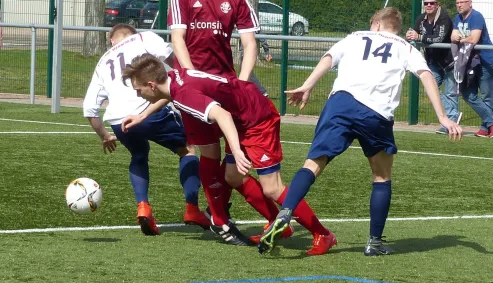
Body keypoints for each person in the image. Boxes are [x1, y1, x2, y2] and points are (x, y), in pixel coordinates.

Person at [257, 7, 463, 256]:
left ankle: (286, 212)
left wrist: (307, 85)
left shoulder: (355, 37)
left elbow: (329, 58)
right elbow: (426, 75)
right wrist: (443, 116)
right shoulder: (405, 47)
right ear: (395, 28)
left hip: (340, 105)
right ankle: (374, 243)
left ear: (376, 24)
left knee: (313, 164)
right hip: (375, 114)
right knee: (381, 177)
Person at [121, 54, 337, 255]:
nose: (138, 94)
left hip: (257, 119)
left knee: (272, 188)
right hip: (243, 116)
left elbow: (222, 115)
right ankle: (277, 223)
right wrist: (142, 115)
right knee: (232, 176)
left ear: (151, 85)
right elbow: (169, 95)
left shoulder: (184, 93)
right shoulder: (174, 77)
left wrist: (236, 150)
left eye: (139, 90)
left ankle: (323, 234)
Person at [168, 0, 281, 243]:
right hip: (193, 85)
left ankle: (270, 218)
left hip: (226, 85)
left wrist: (243, 83)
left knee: (236, 162)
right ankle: (220, 218)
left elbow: (249, 43)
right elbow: (177, 38)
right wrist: (189, 75)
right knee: (209, 151)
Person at [83, 23, 210, 236]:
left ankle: (143, 206)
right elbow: (174, 61)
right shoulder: (144, 38)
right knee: (187, 149)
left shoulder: (103, 61)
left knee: (138, 154)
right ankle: (192, 209)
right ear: (133, 34)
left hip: (118, 120)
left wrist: (104, 136)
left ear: (112, 39)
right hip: (148, 110)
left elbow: (89, 110)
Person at [406, 0, 462, 134]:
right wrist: (410, 35)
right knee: (430, 88)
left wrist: (419, 37)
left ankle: (450, 122)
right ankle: (451, 115)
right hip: (432, 61)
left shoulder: (444, 18)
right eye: (426, 3)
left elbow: (439, 37)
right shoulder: (421, 18)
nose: (429, 6)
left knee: (451, 93)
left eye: (432, 3)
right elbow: (415, 32)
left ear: (437, 5)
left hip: (450, 61)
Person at [451, 0, 493, 138]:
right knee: (468, 94)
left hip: (486, 60)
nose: (459, 5)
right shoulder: (458, 18)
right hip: (469, 62)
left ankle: (486, 128)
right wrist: (458, 38)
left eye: (462, 2)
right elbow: (452, 36)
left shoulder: (476, 16)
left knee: (487, 95)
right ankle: (492, 120)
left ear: (470, 3)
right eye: (457, 3)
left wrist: (459, 38)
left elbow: (473, 39)